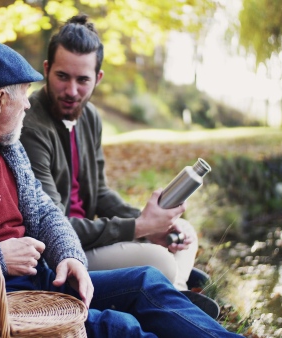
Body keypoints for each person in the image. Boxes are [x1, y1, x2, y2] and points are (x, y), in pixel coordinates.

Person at [0, 38, 241, 337]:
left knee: (147, 281)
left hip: (41, 283)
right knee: (121, 328)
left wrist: (70, 256)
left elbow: (45, 212)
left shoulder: (8, 145)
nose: (27, 107)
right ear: (0, 100)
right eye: (24, 95)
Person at [20, 14, 199, 291]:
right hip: (63, 252)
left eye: (83, 80)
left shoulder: (90, 117)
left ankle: (178, 291)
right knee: (160, 260)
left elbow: (100, 193)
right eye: (62, 77)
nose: (71, 90)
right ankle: (178, 290)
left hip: (91, 237)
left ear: (98, 78)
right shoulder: (31, 127)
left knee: (185, 231)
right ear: (46, 69)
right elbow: (54, 226)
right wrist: (140, 228)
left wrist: (153, 223)